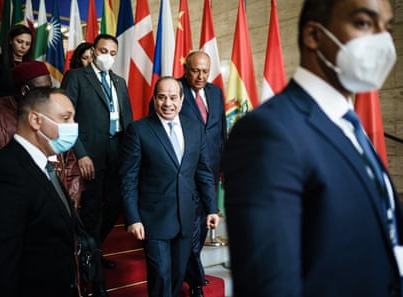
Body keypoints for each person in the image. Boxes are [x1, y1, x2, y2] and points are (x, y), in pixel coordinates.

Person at [223, 0, 401, 296]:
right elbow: (271, 286)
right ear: (314, 35)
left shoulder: (350, 125)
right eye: (363, 23)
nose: (382, 41)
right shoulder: (268, 133)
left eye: (387, 29)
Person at [0, 87, 79, 297]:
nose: (72, 127)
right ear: (36, 120)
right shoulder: (2, 176)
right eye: (65, 118)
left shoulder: (45, 167)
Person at [120, 76, 219, 297]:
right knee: (160, 275)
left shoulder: (195, 128)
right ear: (154, 99)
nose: (168, 103)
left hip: (186, 216)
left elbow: (203, 171)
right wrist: (133, 218)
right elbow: (129, 178)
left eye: (173, 97)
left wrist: (211, 208)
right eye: (162, 97)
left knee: (176, 275)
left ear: (182, 100)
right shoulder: (138, 130)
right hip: (153, 218)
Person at [61, 33, 134, 296]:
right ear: (93, 50)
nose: (108, 57)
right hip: (90, 154)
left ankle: (91, 250)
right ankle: (97, 281)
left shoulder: (120, 81)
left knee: (116, 204)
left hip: (118, 151)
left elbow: (128, 120)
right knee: (92, 212)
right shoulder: (77, 77)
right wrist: (80, 153)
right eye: (103, 51)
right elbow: (65, 117)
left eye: (113, 53)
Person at [0, 61, 83, 203]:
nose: (48, 95)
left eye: (50, 89)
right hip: (10, 197)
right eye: (42, 90)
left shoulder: (50, 111)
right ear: (25, 90)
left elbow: (68, 157)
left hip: (51, 195)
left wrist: (73, 191)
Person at [180, 51, 226, 297]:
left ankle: (193, 272)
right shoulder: (173, 90)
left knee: (201, 223)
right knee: (191, 227)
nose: (200, 76)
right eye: (196, 70)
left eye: (205, 71)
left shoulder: (215, 92)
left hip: (212, 167)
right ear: (186, 68)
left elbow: (220, 132)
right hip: (185, 171)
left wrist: (224, 167)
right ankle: (195, 279)